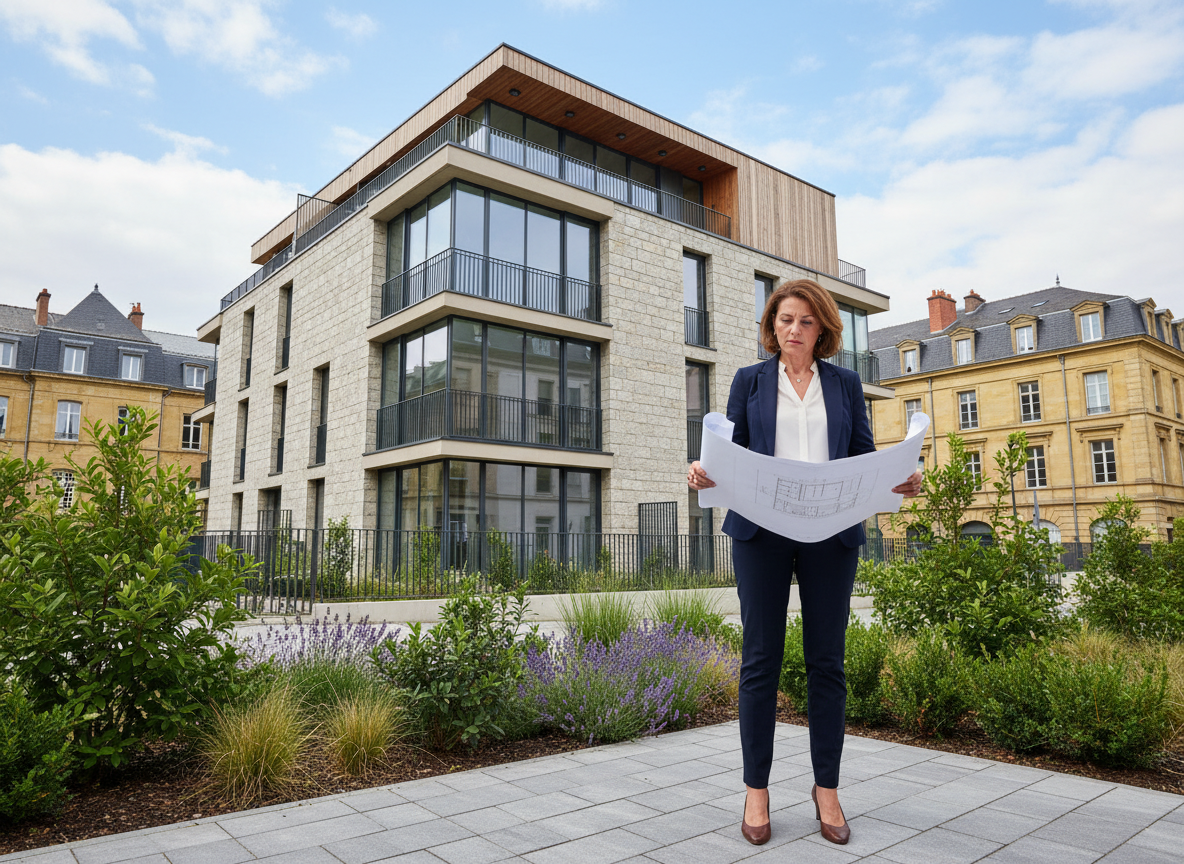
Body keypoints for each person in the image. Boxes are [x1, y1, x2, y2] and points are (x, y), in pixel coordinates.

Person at [687, 279, 922, 847]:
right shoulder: (748, 380)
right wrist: (704, 472)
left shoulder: (843, 384)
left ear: (823, 331)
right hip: (761, 532)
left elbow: (863, 457)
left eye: (805, 322)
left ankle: (827, 790)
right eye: (785, 320)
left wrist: (898, 480)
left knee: (827, 662)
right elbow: (729, 451)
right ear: (773, 327)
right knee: (760, 660)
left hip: (830, 532)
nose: (793, 330)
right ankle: (757, 790)